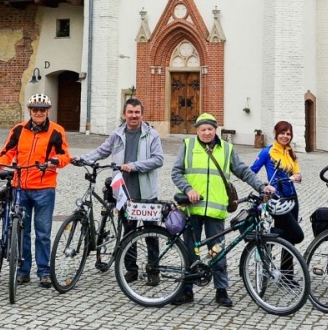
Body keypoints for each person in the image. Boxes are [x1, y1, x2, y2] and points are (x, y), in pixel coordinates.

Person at [170, 112, 274, 307]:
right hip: (192, 208)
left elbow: (243, 171)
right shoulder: (188, 146)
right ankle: (186, 290)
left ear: (215, 130)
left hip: (215, 210)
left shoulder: (226, 149)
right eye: (203, 129)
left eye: (210, 129)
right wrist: (188, 189)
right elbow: (176, 172)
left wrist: (261, 186)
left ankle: (221, 290)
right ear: (197, 131)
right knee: (190, 251)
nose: (207, 132)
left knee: (217, 252)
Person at [76, 97, 164, 284]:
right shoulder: (117, 134)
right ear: (124, 114)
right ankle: (131, 269)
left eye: (137, 112)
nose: (133, 116)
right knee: (128, 232)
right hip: (124, 193)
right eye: (130, 112)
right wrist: (82, 158)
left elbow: (158, 159)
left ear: (142, 114)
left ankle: (153, 270)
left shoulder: (151, 135)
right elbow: (101, 151)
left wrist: (134, 166)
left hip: (146, 193)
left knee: (151, 233)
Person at [0, 92, 72, 289]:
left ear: (48, 111)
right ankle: (23, 270)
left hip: (44, 188)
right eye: (35, 110)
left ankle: (44, 272)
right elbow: (7, 152)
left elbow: (65, 155)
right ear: (30, 111)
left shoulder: (56, 131)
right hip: (21, 187)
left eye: (42, 110)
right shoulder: (19, 130)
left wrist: (55, 161)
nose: (39, 113)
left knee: (43, 232)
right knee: (21, 231)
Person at [249, 120, 306, 252]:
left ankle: (287, 272)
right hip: (277, 200)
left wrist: (296, 176)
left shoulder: (290, 152)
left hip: (292, 198)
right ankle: (266, 234)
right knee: (296, 235)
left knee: (290, 241)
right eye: (282, 133)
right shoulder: (267, 152)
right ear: (275, 133)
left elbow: (298, 173)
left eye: (288, 134)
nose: (285, 136)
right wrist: (263, 186)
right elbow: (251, 172)